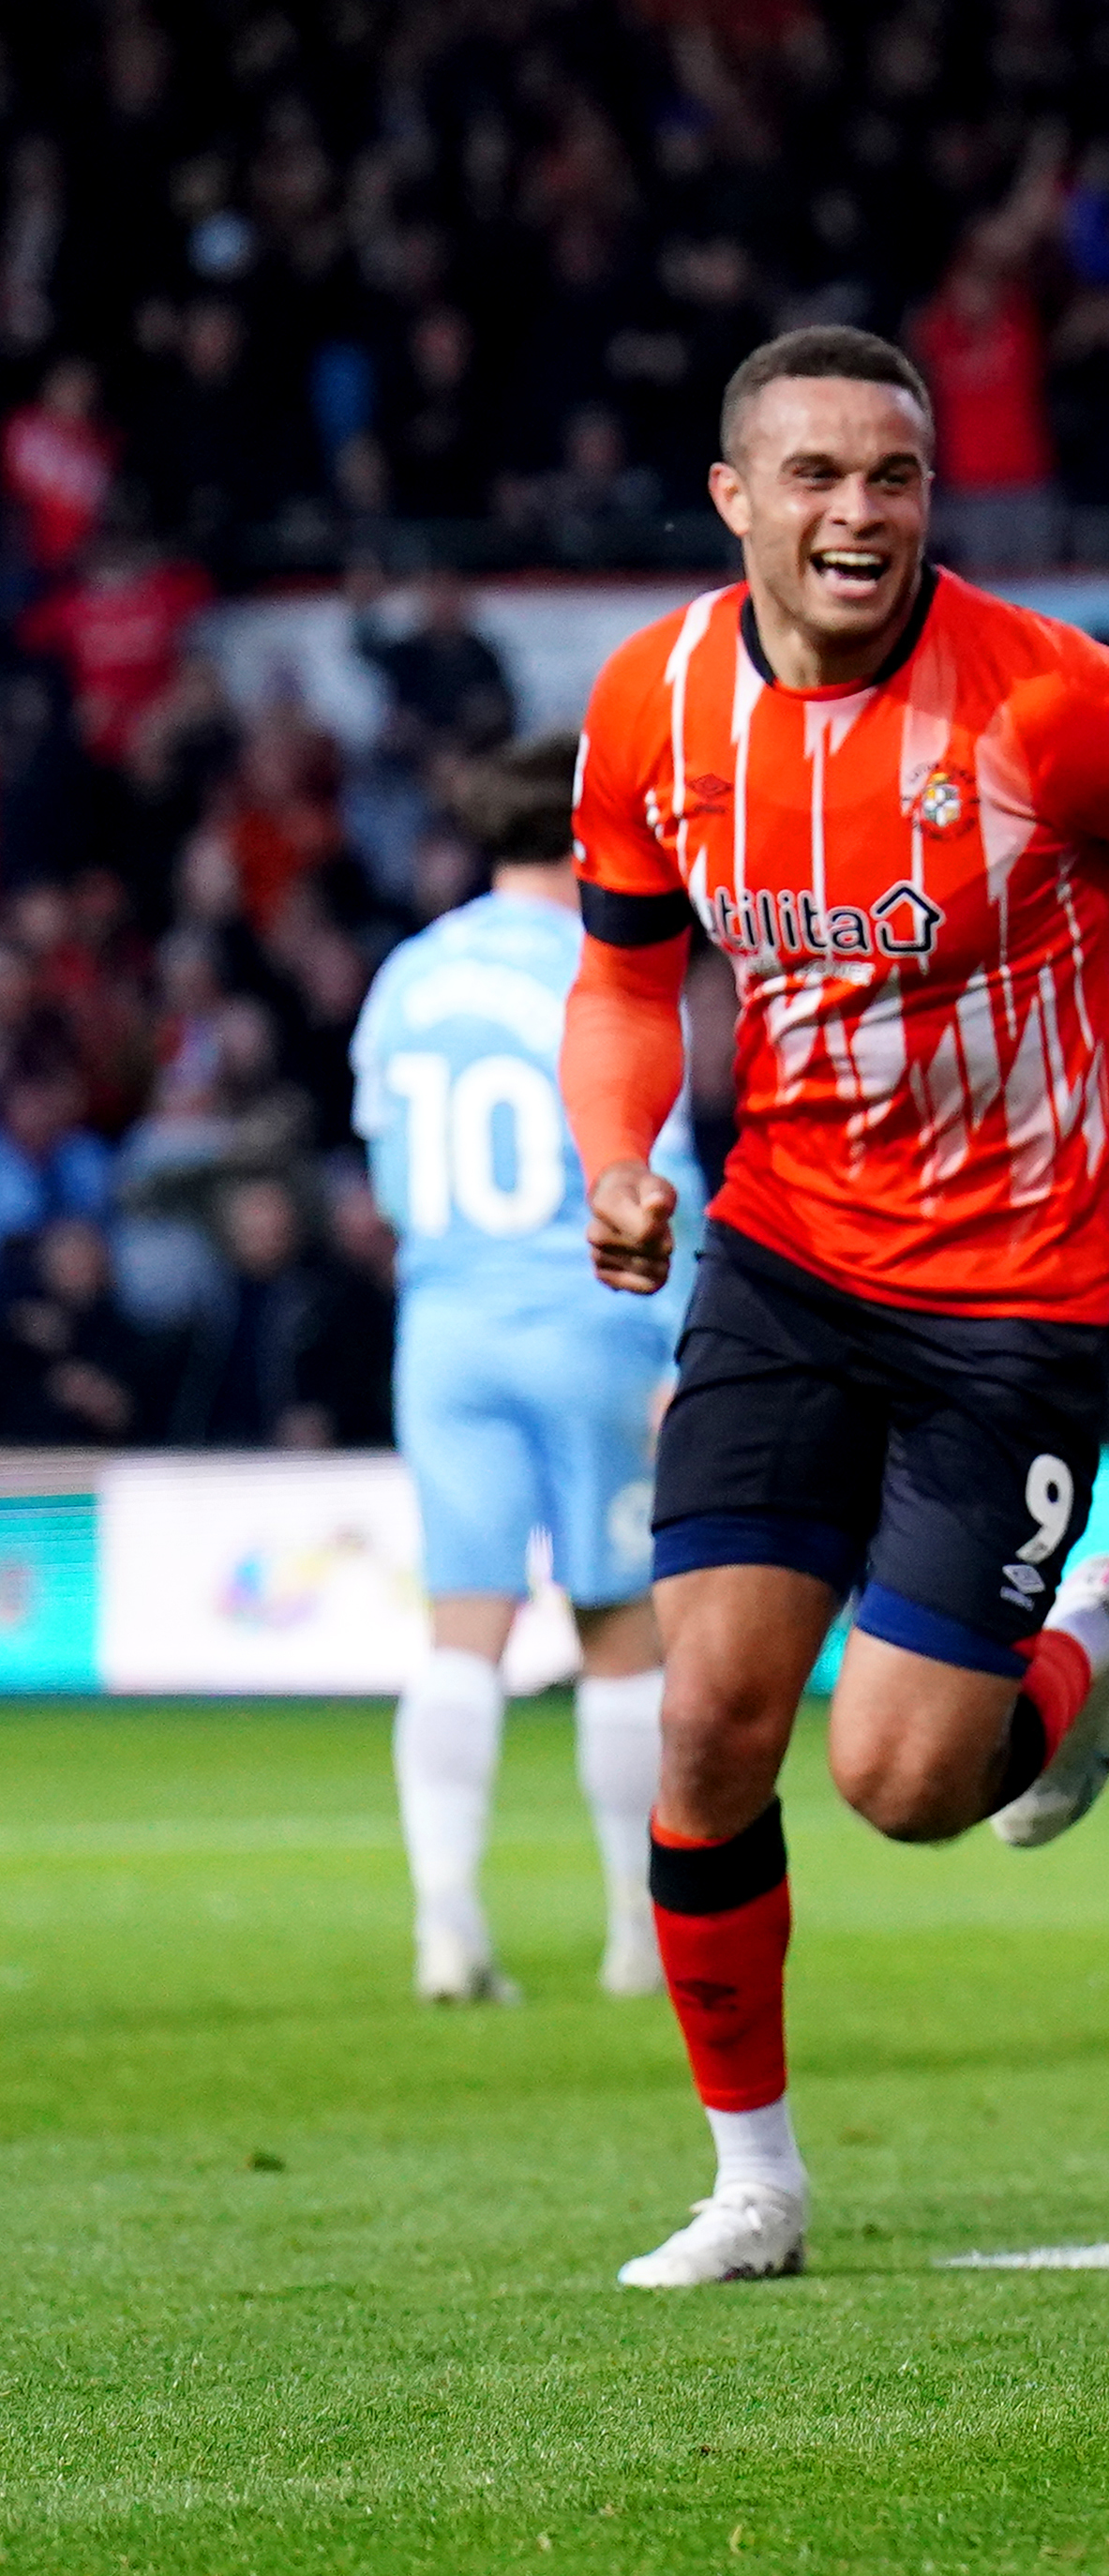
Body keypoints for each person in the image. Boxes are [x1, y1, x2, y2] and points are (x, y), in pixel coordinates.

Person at [562, 326, 1109, 2291]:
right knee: (708, 1713)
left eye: (894, 475)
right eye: (815, 476)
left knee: (898, 1779)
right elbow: (625, 979)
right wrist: (620, 1154)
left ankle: (1073, 1655)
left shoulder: (1047, 705)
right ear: (736, 501)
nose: (859, 512)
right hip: (784, 1252)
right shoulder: (651, 702)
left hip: (1018, 1291)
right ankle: (753, 2177)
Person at [351, 735, 694, 2008]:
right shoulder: (607, 968)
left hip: (444, 1326)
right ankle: (634, 1934)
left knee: (462, 1626)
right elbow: (671, 1175)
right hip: (589, 1317)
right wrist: (688, 1337)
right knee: (618, 1629)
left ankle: (447, 1925)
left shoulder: (408, 975)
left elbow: (384, 1175)